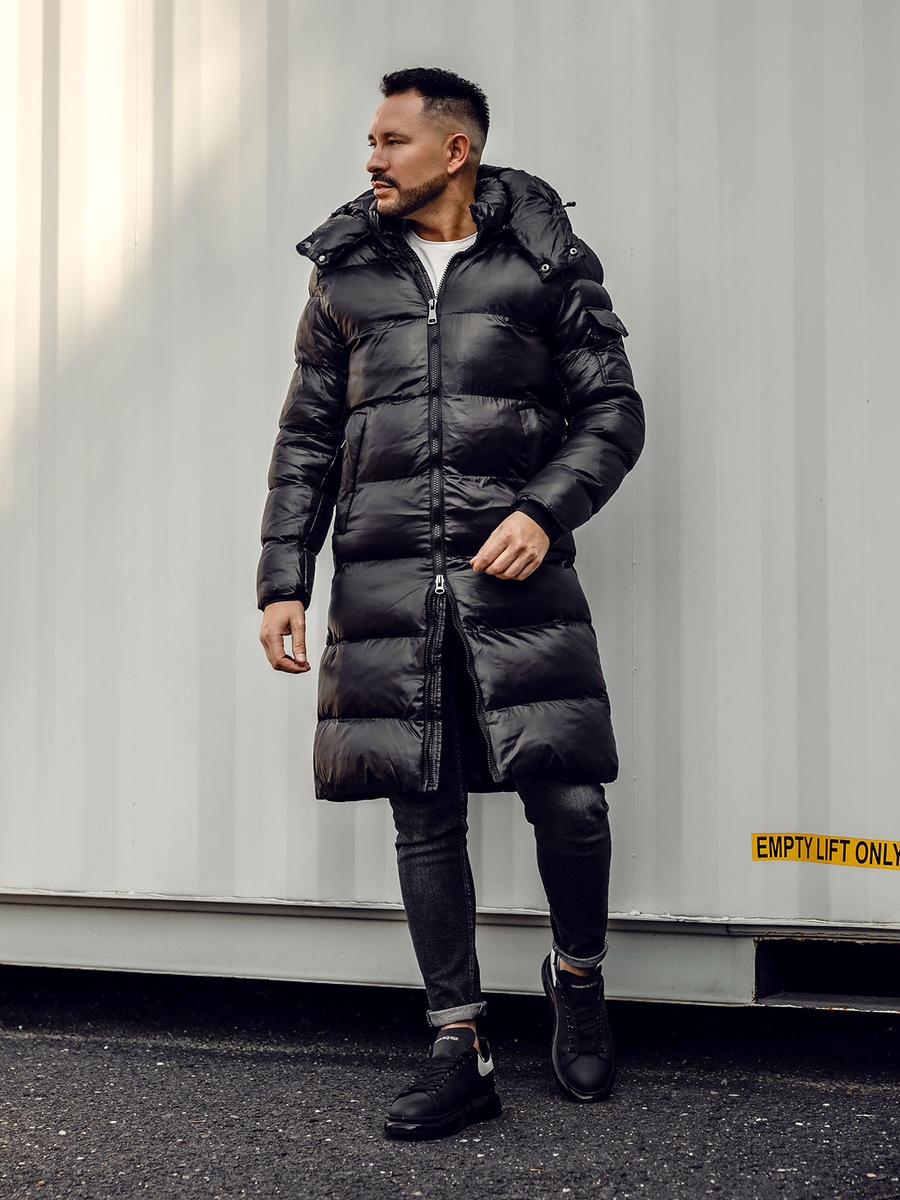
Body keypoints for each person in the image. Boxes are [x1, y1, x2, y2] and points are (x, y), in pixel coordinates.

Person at [257, 66, 644, 1140]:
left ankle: (578, 976)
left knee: (569, 799)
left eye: (392, 140)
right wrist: (284, 579)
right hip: (385, 576)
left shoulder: (544, 261)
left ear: (454, 150)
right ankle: (458, 1040)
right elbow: (307, 439)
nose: (372, 159)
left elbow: (613, 411)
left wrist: (545, 510)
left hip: (515, 573)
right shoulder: (344, 276)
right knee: (422, 809)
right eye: (371, 142)